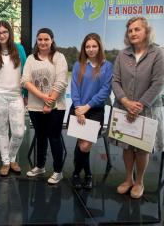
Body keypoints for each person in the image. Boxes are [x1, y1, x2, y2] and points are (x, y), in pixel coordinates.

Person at [112, 16, 164, 198]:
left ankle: (139, 182)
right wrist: (126, 102)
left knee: (141, 149)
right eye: (130, 30)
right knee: (127, 147)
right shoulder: (122, 54)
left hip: (147, 110)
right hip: (124, 108)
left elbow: (158, 83)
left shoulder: (158, 53)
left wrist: (139, 106)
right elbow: (115, 81)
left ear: (147, 31)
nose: (133, 33)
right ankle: (128, 179)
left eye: (137, 29)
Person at [21, 28, 68, 184]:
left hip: (56, 107)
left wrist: (50, 102)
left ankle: (58, 171)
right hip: (35, 107)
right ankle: (40, 166)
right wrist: (42, 97)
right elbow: (25, 81)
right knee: (40, 137)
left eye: (46, 39)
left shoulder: (59, 57)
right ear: (37, 40)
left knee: (54, 138)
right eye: (40, 39)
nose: (43, 42)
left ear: (52, 40)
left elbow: (61, 81)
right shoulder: (30, 59)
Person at [0, 21, 27, 176]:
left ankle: (12, 157)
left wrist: (26, 95)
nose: (1, 35)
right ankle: (6, 162)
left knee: (19, 132)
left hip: (16, 96)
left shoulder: (19, 49)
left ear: (9, 33)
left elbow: (25, 74)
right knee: (2, 130)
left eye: (4, 32)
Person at [69, 33, 112, 190]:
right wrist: (79, 109)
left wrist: (87, 106)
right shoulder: (78, 65)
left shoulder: (107, 66)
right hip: (78, 109)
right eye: (88, 46)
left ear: (99, 47)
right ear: (84, 48)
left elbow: (105, 90)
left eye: (94, 46)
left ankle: (76, 172)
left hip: (95, 110)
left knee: (85, 146)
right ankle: (86, 174)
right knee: (81, 144)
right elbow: (74, 88)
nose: (91, 49)